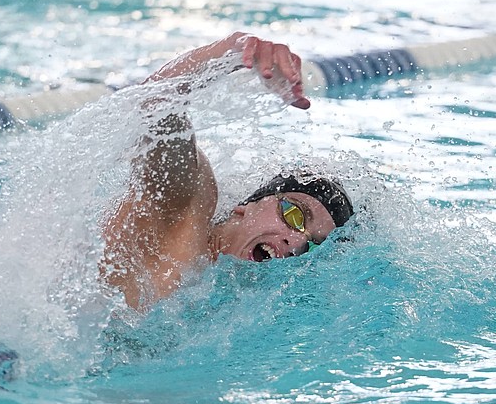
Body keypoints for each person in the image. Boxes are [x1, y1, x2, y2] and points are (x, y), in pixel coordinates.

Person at [102, 32, 353, 311]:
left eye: (313, 246)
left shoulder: (234, 308)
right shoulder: (186, 209)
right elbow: (155, 106)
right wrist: (233, 51)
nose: (295, 243)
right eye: (294, 215)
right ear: (245, 207)